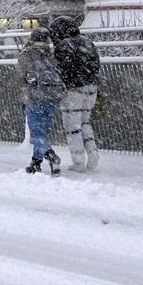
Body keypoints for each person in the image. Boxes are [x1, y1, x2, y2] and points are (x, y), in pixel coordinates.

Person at [49, 14, 102, 172]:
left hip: (72, 91)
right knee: (85, 123)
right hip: (91, 89)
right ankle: (92, 152)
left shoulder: (63, 46)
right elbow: (96, 65)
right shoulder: (88, 43)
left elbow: (59, 69)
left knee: (72, 127)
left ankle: (78, 161)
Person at [16, 27, 65, 175]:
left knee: (37, 134)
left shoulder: (27, 54)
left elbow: (20, 77)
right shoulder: (51, 53)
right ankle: (35, 163)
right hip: (52, 97)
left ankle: (51, 156)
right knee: (43, 133)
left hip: (35, 97)